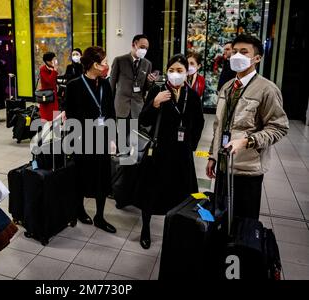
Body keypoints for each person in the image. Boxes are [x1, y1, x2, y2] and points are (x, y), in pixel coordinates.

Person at [207, 35, 289, 220]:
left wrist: (247, 141)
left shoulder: (267, 89)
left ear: (257, 58)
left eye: (244, 52)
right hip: (222, 165)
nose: (237, 56)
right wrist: (212, 156)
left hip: (247, 169)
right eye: (234, 52)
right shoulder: (227, 87)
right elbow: (218, 125)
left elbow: (279, 127)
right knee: (220, 216)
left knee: (242, 221)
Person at [138, 54, 205, 249]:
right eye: (172, 70)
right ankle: (145, 229)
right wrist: (155, 103)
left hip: (181, 154)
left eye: (180, 71)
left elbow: (199, 123)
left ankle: (178, 229)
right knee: (151, 192)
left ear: (187, 73)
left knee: (182, 193)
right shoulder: (157, 90)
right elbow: (144, 120)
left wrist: (190, 146)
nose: (175, 74)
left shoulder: (191, 95)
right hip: (160, 151)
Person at [64, 46, 117, 233]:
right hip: (83, 139)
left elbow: (111, 112)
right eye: (104, 62)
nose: (106, 65)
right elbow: (70, 115)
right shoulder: (74, 85)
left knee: (103, 177)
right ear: (95, 65)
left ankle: (100, 216)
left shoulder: (105, 85)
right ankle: (79, 209)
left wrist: (112, 137)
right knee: (81, 177)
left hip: (102, 139)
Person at [110, 34, 157, 121]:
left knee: (133, 134)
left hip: (137, 108)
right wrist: (110, 106)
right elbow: (111, 85)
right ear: (133, 45)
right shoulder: (120, 60)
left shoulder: (147, 64)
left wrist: (150, 81)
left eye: (146, 48)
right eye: (142, 47)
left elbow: (146, 88)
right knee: (122, 134)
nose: (144, 50)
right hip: (121, 107)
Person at [38, 52, 59, 122]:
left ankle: (55, 130)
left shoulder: (52, 68)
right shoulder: (43, 69)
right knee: (47, 118)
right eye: (53, 59)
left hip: (54, 96)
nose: (55, 61)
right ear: (48, 61)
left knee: (55, 116)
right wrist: (55, 71)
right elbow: (49, 81)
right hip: (47, 96)